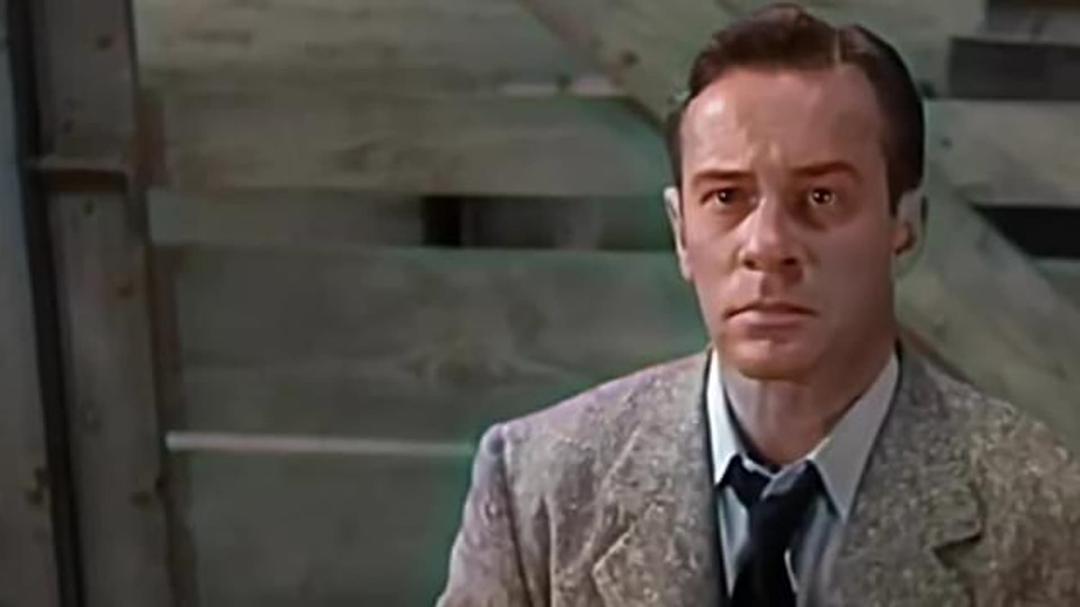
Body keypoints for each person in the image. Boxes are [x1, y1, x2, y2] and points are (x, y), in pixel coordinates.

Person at [437, 4, 1080, 605]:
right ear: (680, 232)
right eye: (726, 198)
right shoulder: (538, 490)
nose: (768, 245)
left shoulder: (1041, 509)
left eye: (822, 197)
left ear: (904, 226)